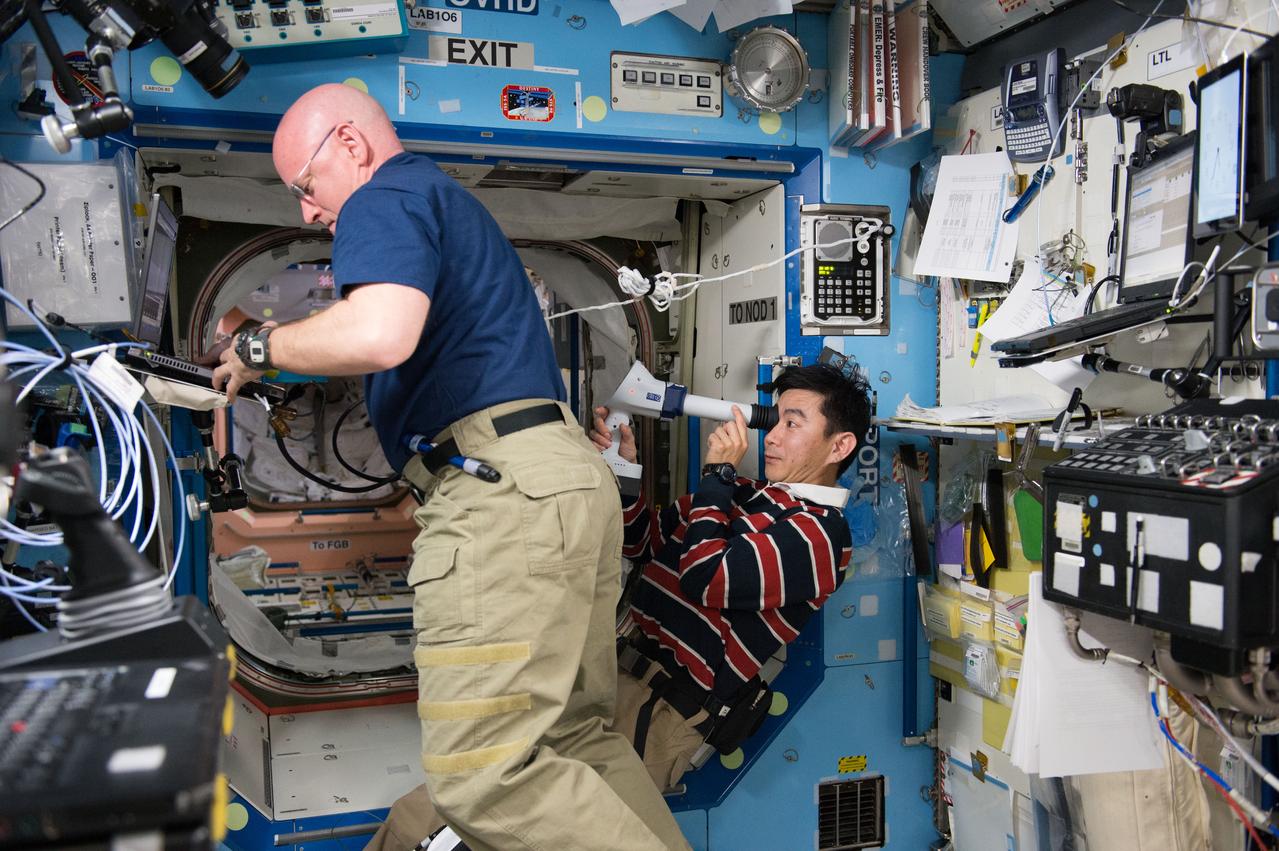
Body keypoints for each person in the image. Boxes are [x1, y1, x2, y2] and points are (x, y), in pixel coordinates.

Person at [212, 83, 689, 851]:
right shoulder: (436, 201)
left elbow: (379, 333)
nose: (305, 212)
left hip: (506, 488)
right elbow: (403, 348)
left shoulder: (384, 195)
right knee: (572, 738)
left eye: (304, 187)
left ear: (351, 146)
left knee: (484, 776)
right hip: (554, 475)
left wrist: (258, 346)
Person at [590, 363, 870, 792]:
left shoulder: (821, 536)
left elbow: (705, 579)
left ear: (840, 446)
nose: (772, 436)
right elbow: (643, 545)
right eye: (775, 422)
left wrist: (716, 477)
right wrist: (625, 472)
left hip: (662, 714)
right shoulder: (741, 493)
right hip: (616, 673)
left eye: (792, 424)